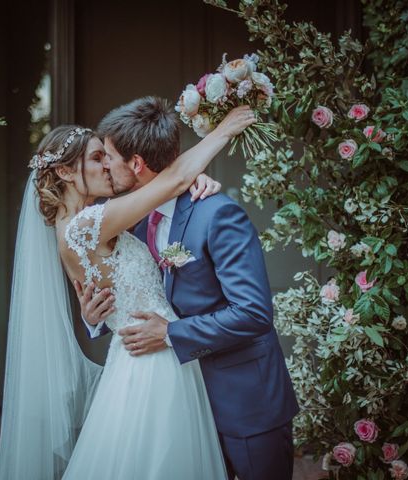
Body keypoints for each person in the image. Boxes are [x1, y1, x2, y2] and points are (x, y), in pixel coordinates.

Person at [0, 101, 256, 479]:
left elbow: (100, 301)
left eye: (107, 156)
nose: (107, 166)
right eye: (97, 158)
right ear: (67, 171)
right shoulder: (89, 225)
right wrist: (223, 131)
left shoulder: (74, 227)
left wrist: (91, 317)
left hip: (133, 356)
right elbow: (173, 181)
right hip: (155, 361)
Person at [78, 96, 299, 480]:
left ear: (136, 164)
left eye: (110, 156)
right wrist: (95, 317)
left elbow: (253, 313)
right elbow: (138, 288)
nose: (106, 166)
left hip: (243, 401)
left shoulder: (217, 214)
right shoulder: (134, 219)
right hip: (181, 406)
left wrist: (170, 333)